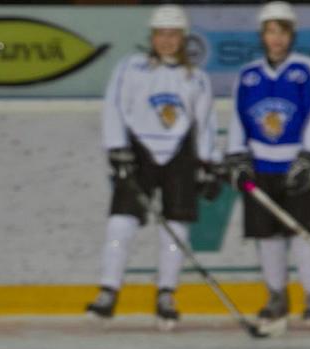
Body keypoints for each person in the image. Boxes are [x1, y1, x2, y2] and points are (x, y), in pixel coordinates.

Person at [86, 4, 220, 331]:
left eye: (173, 34)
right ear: (152, 36)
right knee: (121, 223)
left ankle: (166, 294)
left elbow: (205, 123)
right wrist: (117, 148)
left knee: (175, 229)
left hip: (179, 156)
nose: (166, 40)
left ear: (183, 38)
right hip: (138, 153)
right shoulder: (131, 68)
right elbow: (114, 107)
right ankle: (109, 290)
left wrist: (210, 162)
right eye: (161, 33)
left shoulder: (196, 78)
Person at [224, 1, 310, 330]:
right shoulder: (248, 75)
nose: (276, 38)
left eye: (282, 31)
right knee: (267, 237)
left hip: (298, 163)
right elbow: (237, 119)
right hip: (261, 166)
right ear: (262, 34)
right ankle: (277, 297)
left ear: (291, 35)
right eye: (271, 31)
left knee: (305, 235)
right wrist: (236, 156)